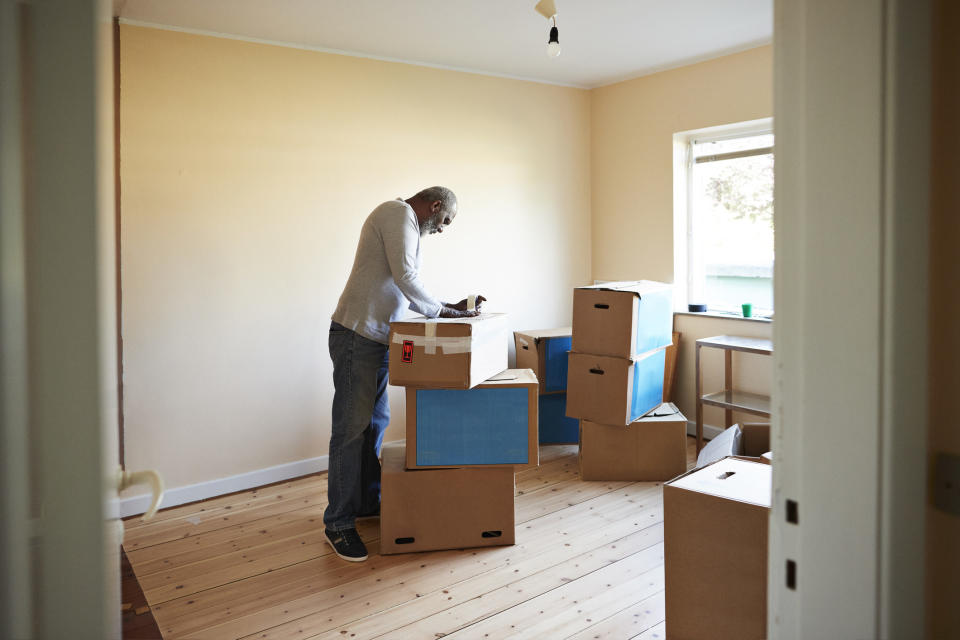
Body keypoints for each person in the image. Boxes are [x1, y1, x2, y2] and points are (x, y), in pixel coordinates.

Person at [325, 186, 485, 561]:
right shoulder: (397, 213)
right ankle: (338, 523)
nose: (443, 229)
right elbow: (406, 277)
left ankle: (366, 503)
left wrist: (446, 305)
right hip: (357, 336)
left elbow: (403, 283)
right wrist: (445, 313)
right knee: (350, 429)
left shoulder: (406, 223)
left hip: (378, 338)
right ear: (434, 206)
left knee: (375, 423)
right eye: (445, 220)